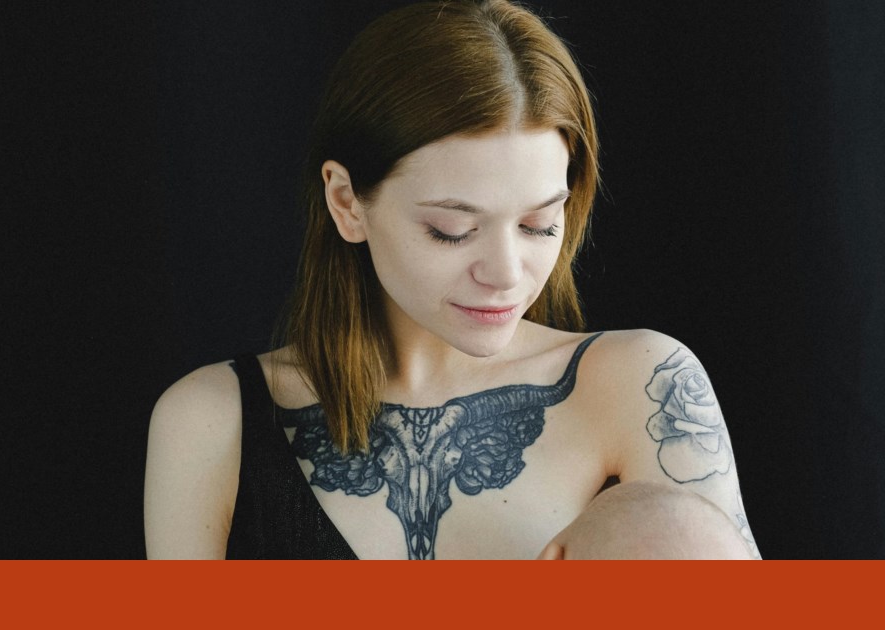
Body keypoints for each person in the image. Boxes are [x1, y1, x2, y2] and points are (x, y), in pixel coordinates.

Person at [145, 0, 759, 560]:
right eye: (451, 230)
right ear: (347, 203)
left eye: (539, 224)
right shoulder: (210, 423)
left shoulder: (645, 386)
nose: (506, 274)